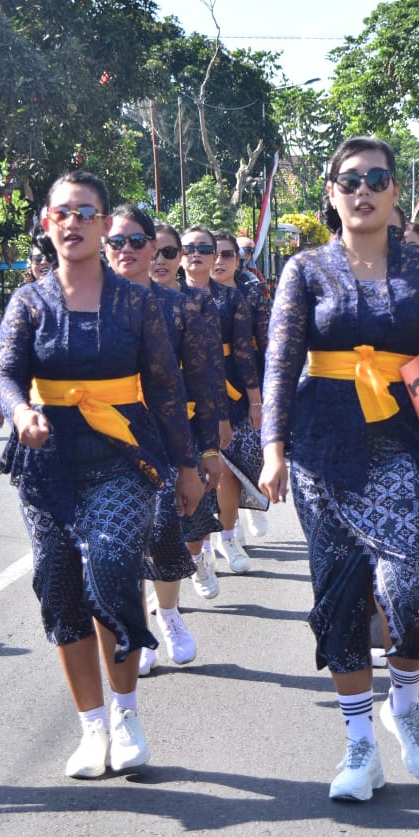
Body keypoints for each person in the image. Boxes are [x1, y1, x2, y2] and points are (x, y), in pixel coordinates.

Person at [260, 135, 419, 802]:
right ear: (331, 194)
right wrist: (272, 448)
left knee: (407, 583)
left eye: (377, 179)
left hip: (405, 445)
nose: (363, 189)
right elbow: (279, 361)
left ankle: (405, 704)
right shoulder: (305, 271)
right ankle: (359, 748)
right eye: (350, 180)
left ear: (393, 194)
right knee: (342, 597)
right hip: (323, 449)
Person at [0, 171, 203, 779]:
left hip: (123, 455)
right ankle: (90, 726)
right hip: (48, 462)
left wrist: (188, 465)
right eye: (64, 212)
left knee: (112, 568)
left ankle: (126, 711)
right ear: (46, 221)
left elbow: (166, 386)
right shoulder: (28, 301)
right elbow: (4, 373)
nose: (75, 222)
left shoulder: (137, 303)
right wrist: (21, 408)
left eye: (88, 213)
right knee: (57, 584)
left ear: (105, 224)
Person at [104, 205, 225, 676]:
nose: (127, 251)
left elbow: (204, 380)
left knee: (163, 531)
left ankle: (169, 613)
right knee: (119, 538)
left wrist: (209, 448)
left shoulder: (183, 307)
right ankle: (136, 628)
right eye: (117, 242)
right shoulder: (88, 302)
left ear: (154, 249)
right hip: (106, 439)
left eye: (138, 242)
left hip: (169, 436)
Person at [179, 226, 261, 590]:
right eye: (187, 248)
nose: (195, 254)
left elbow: (245, 352)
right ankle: (197, 553)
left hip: (229, 391)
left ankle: (227, 535)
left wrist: (256, 400)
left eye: (204, 249)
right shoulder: (159, 298)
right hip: (178, 397)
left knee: (226, 471)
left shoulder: (232, 300)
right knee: (193, 474)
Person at [216, 232, 272, 548]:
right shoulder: (188, 292)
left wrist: (262, 396)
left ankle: (249, 497)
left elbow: (266, 342)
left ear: (239, 259)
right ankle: (227, 531)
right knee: (220, 461)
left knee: (247, 455)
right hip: (208, 384)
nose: (220, 261)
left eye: (228, 255)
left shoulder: (252, 292)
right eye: (216, 254)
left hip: (248, 376)